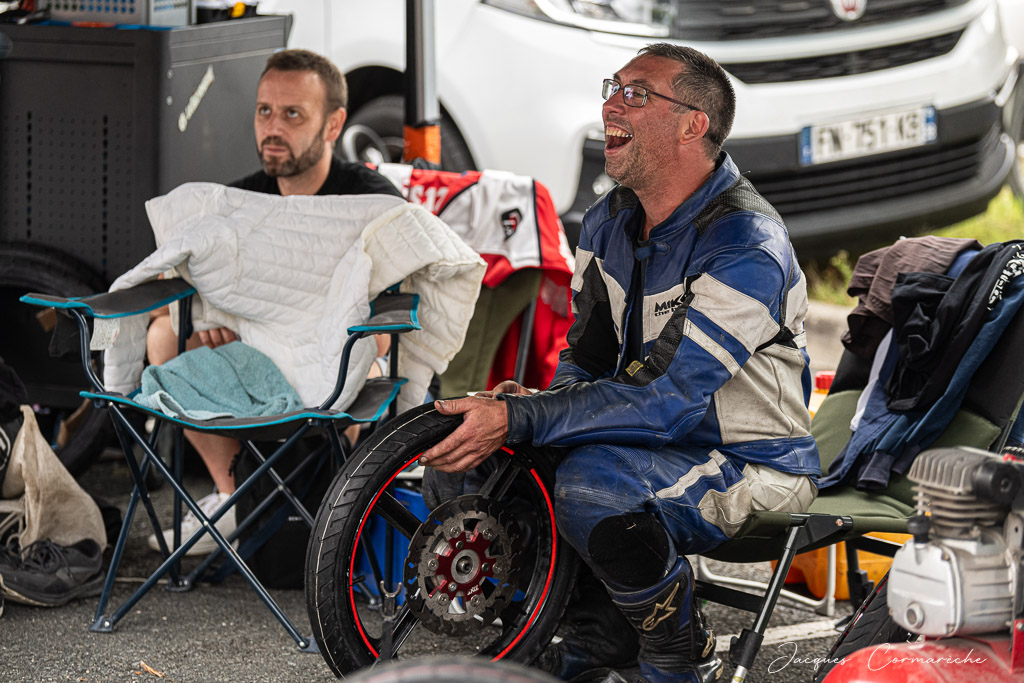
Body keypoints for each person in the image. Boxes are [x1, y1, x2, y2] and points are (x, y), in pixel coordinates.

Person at [418, 43, 820, 683]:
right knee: (471, 454)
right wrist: (537, 411)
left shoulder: (747, 243)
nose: (611, 105)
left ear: (693, 124)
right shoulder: (609, 218)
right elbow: (586, 358)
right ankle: (597, 633)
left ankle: (678, 658)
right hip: (638, 438)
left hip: (753, 461)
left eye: (636, 94)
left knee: (593, 484)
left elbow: (668, 400)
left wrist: (530, 418)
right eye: (613, 88)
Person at [146, 49, 402, 555]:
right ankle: (233, 498)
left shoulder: (370, 200)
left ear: (333, 125)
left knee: (369, 353)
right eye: (264, 111)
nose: (273, 128)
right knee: (165, 334)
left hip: (335, 361)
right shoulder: (240, 201)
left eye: (292, 114)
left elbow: (391, 321)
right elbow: (162, 294)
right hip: (257, 359)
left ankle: (336, 514)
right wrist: (207, 314)